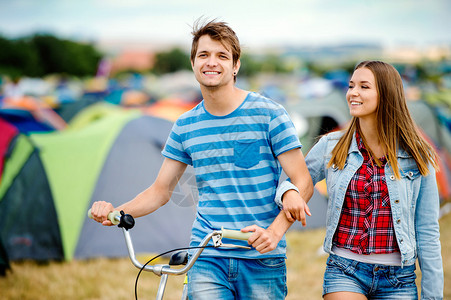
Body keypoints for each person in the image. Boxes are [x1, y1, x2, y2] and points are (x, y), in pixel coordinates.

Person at [90, 18, 313, 299]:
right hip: (206, 255)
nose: (212, 62)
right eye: (204, 55)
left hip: (261, 258)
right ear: (193, 63)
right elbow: (160, 191)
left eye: (222, 55)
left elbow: (302, 181)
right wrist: (117, 213)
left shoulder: (270, 114)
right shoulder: (185, 125)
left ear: (236, 66)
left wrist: (276, 230)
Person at [276, 60, 443, 299]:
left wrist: (433, 295)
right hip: (345, 270)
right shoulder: (331, 145)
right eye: (351, 85)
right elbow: (293, 179)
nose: (353, 93)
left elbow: (427, 230)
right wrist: (288, 193)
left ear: (386, 94)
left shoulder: (418, 155)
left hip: (399, 278)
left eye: (364, 87)